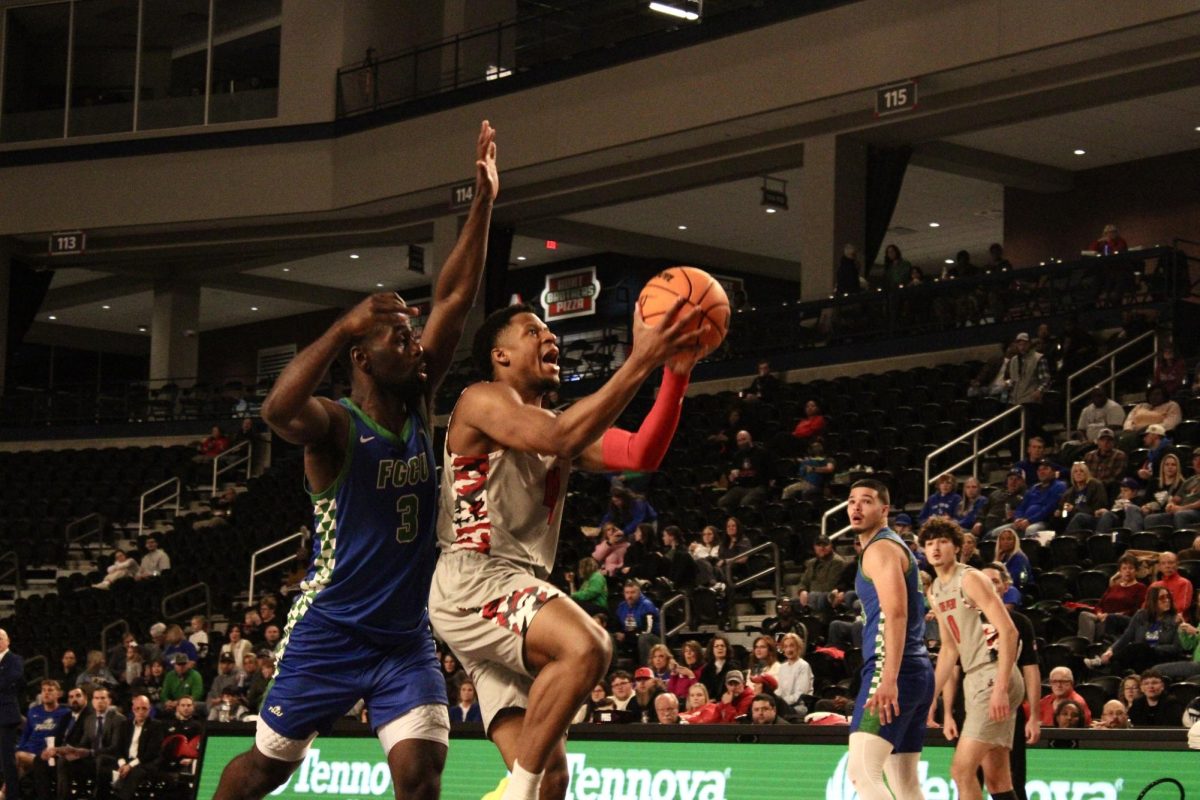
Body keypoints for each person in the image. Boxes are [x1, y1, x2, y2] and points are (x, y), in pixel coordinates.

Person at [210, 120, 498, 800]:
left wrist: (483, 201)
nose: (416, 345)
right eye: (400, 338)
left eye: (413, 336)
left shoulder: (421, 400)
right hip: (331, 630)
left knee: (421, 776)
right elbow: (277, 413)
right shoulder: (337, 426)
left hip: (403, 639)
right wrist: (343, 322)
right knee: (267, 769)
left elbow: (456, 296)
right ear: (363, 357)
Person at [429, 287, 707, 800]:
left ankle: (523, 789)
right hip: (477, 577)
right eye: (534, 331)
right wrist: (642, 358)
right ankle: (517, 794)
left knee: (553, 780)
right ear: (500, 354)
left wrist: (676, 373)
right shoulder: (480, 399)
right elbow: (559, 440)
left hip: (509, 589)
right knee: (589, 646)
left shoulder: (558, 426)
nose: (550, 336)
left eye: (550, 331)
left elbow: (642, 451)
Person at [921, 519, 1023, 800]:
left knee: (961, 771)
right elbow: (949, 649)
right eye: (930, 544)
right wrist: (932, 697)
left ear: (956, 547)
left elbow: (1009, 631)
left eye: (942, 541)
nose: (936, 548)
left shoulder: (969, 578)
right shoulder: (935, 591)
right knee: (998, 779)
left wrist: (1001, 687)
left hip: (993, 673)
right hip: (974, 677)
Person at [846, 480, 933, 800]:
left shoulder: (881, 548)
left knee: (862, 774)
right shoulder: (890, 546)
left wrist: (888, 677)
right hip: (917, 669)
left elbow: (896, 614)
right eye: (852, 500)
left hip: (892, 669)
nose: (856, 507)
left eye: (866, 501)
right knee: (905, 784)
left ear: (884, 510)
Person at [979, 565, 1040, 800]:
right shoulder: (968, 620)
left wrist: (1034, 716)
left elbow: (1031, 670)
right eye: (984, 581)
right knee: (968, 776)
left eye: (995, 581)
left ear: (1006, 586)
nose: (989, 586)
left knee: (1012, 779)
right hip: (973, 704)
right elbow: (954, 668)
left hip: (1009, 709)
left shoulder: (1020, 623)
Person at [1092, 585, 1183, 673]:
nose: (1167, 600)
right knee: (1121, 661)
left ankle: (1102, 663)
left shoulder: (1176, 619)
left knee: (1140, 647)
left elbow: (1176, 648)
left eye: (1168, 597)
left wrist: (1153, 648)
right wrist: (1110, 651)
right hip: (1139, 656)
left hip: (1161, 656)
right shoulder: (1141, 615)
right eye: (1162, 598)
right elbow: (1126, 637)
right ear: (1153, 601)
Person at [97, 695, 164, 800]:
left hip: (144, 763)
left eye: (144, 708)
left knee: (133, 773)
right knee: (103, 766)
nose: (141, 711)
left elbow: (151, 753)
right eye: (137, 708)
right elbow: (118, 747)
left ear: (149, 709)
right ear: (133, 709)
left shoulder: (156, 726)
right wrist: (123, 764)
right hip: (125, 761)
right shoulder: (125, 724)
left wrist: (130, 766)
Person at [15, 680, 67, 797]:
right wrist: (20, 748)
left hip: (46, 756)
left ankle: (5, 793)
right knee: (15, 757)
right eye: (43, 690)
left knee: (18, 758)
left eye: (50, 690)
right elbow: (26, 734)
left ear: (58, 694)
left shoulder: (65, 713)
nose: (46, 693)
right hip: (29, 752)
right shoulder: (33, 711)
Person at [1076, 554, 1146, 642]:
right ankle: (1085, 645)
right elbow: (1099, 605)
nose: (1127, 571)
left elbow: (1137, 609)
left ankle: (1092, 647)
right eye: (1124, 568)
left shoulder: (1140, 587)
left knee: (1107, 620)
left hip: (1120, 619)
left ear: (1136, 571)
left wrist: (1117, 614)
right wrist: (1099, 614)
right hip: (1103, 616)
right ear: (1120, 571)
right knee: (1084, 615)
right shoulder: (1114, 587)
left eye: (1131, 568)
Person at [992, 460, 1065, 543]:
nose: (1042, 472)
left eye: (1045, 469)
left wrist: (1030, 520)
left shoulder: (1059, 486)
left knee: (1031, 530)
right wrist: (1018, 519)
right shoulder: (1034, 488)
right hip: (1024, 521)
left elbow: (1049, 509)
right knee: (997, 532)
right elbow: (1021, 507)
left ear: (1053, 472)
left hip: (1043, 521)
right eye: (1039, 470)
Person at [1004, 333, 1050, 438]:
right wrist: (1008, 384)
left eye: (1024, 343)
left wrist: (1039, 390)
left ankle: (1047, 442)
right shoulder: (1014, 360)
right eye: (1019, 344)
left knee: (1029, 429)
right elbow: (1014, 380)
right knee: (1010, 431)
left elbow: (1045, 379)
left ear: (1029, 344)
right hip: (1014, 400)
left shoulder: (1038, 358)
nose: (1022, 346)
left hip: (1030, 400)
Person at [1143, 449, 1200, 534]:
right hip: (1182, 511)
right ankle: (1155, 545)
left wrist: (1181, 508)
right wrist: (1171, 505)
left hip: (1196, 512)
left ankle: (1182, 544)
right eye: (1195, 460)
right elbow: (1176, 498)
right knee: (1150, 519)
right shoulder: (1190, 480)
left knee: (1180, 515)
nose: (1197, 463)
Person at [717, 431, 773, 511]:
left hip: (759, 486)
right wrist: (732, 476)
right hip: (742, 487)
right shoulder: (737, 456)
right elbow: (733, 474)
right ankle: (731, 522)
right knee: (722, 502)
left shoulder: (762, 453)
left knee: (745, 503)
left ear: (750, 439)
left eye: (743, 439)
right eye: (739, 441)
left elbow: (771, 472)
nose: (741, 443)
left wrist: (769, 485)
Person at [610, 581, 660, 666]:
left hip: (651, 638)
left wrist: (626, 635)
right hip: (630, 637)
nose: (630, 596)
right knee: (609, 637)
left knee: (644, 638)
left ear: (639, 593)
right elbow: (616, 625)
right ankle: (613, 669)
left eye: (633, 592)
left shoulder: (646, 605)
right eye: (627, 593)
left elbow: (648, 630)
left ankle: (647, 670)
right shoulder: (622, 606)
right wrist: (617, 633)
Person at [795, 535, 846, 611]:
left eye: (825, 545)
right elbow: (803, 582)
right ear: (814, 547)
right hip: (812, 596)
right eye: (819, 545)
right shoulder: (811, 563)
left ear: (831, 546)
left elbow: (830, 585)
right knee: (787, 604)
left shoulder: (837, 562)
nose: (822, 548)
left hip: (829, 595)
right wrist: (802, 591)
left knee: (816, 598)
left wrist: (810, 594)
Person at [1059, 461, 1108, 533]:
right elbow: (1064, 512)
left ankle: (1067, 540)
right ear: (1072, 475)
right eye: (1075, 472)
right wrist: (1061, 512)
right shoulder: (1069, 492)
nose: (1078, 473)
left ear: (1087, 473)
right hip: (1074, 520)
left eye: (1081, 471)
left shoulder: (1096, 485)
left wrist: (1074, 509)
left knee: (1079, 517)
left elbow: (1097, 509)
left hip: (1094, 518)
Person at [774, 633, 813, 719]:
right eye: (786, 646)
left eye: (792, 646)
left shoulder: (803, 666)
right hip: (784, 705)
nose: (789, 649)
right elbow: (780, 691)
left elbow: (801, 694)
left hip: (799, 707)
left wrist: (781, 703)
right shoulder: (782, 667)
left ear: (798, 647)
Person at [1150, 552, 1194, 625]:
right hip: (1155, 621)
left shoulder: (1184, 583)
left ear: (1177, 564)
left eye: (1170, 563)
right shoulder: (1154, 586)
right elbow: (1146, 606)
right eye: (1163, 563)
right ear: (1159, 567)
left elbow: (1181, 607)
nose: (1167, 566)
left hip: (1174, 622)